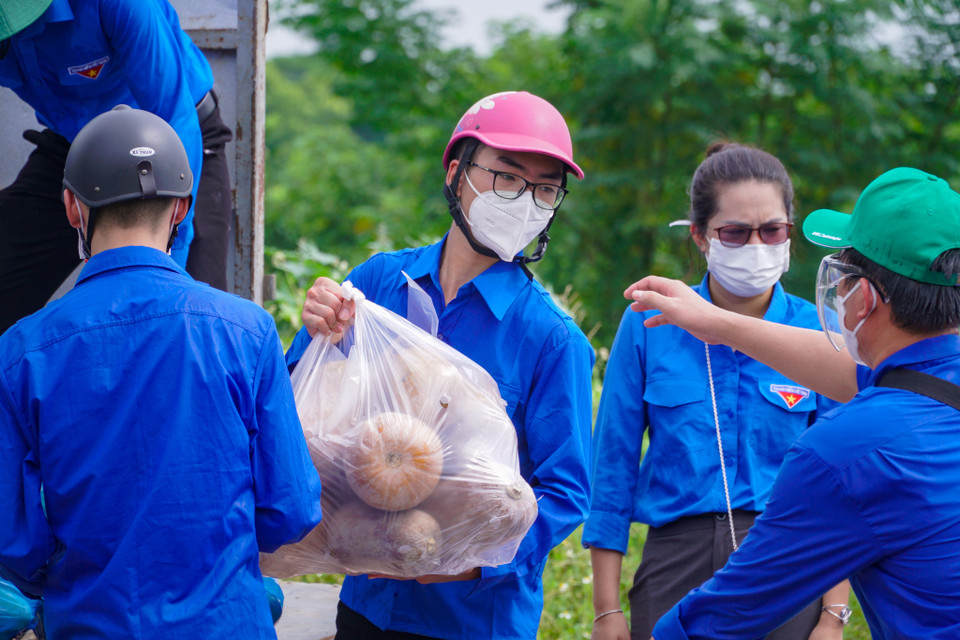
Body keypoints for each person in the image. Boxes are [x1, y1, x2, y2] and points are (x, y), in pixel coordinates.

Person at [0, 106, 322, 638]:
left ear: (72, 208)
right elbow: (289, 509)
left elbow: (16, 544)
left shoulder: (21, 351)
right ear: (182, 209)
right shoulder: (247, 331)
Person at [286, 90, 595, 640]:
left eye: (545, 188)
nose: (524, 199)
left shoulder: (551, 338)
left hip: (473, 619)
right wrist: (315, 329)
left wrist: (469, 559)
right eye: (507, 175)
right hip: (366, 605)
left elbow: (565, 491)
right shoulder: (379, 284)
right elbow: (305, 404)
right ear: (457, 173)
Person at [625, 166, 960, 639]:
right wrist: (716, 323)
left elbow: (725, 616)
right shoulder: (923, 398)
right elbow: (867, 377)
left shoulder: (848, 453)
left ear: (860, 298)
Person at [582, 143, 849, 640]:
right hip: (675, 559)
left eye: (772, 230)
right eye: (735, 232)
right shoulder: (649, 320)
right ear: (702, 237)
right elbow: (613, 465)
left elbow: (840, 480)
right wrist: (606, 609)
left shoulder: (822, 332)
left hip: (787, 558)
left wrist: (833, 614)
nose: (757, 245)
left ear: (790, 230)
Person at [0, 0, 234, 335]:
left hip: (170, 145)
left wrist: (168, 263)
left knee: (191, 324)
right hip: (76, 145)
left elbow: (175, 116)